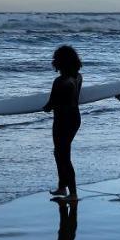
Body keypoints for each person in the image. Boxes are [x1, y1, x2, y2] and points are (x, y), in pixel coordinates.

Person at [43, 44, 83, 201]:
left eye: (56, 59)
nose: (54, 61)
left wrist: (44, 107)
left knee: (63, 155)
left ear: (60, 62)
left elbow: (49, 105)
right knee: (60, 153)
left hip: (62, 121)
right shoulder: (78, 77)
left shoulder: (59, 81)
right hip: (75, 118)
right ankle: (62, 187)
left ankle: (72, 193)